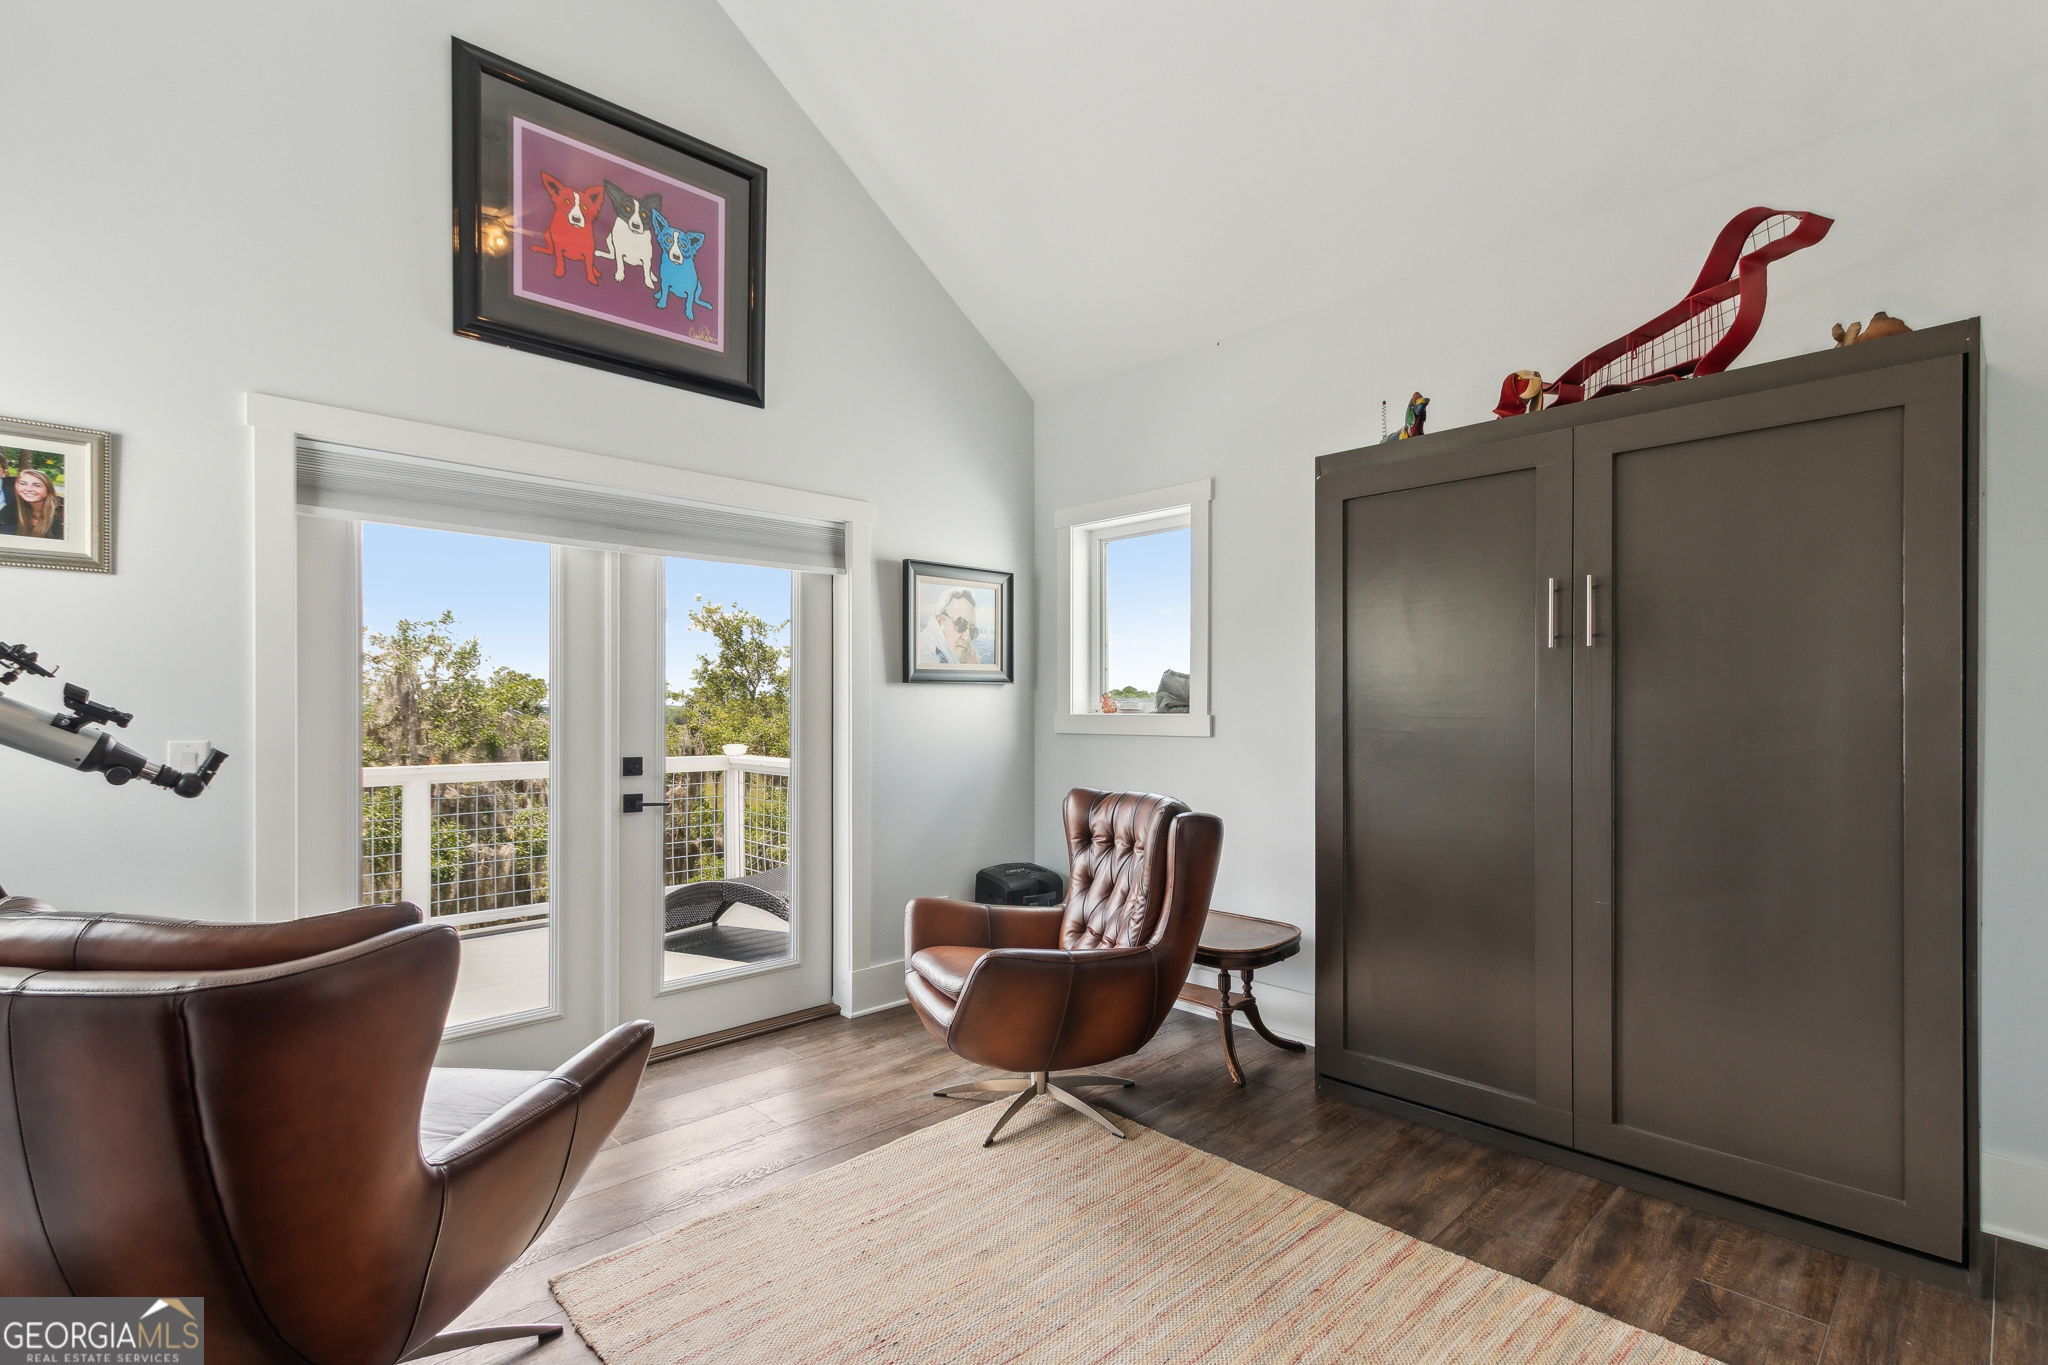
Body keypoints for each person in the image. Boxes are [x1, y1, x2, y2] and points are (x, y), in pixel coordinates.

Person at [916, 588, 981, 666]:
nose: (967, 638)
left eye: (972, 630)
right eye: (960, 624)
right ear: (939, 621)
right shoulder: (926, 656)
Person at [0, 463, 62, 540]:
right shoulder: (15, 508)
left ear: (48, 489)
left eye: (37, 485)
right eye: (23, 483)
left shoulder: (61, 515)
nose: (28, 489)